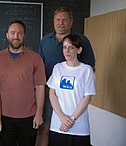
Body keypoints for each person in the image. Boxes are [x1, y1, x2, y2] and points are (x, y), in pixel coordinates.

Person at [36, 7, 95, 146]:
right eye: (57, 20)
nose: (60, 23)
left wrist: (78, 89)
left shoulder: (82, 40)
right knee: (44, 128)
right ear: (53, 21)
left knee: (72, 131)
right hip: (49, 91)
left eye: (64, 20)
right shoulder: (45, 41)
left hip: (73, 94)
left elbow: (90, 67)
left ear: (71, 22)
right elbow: (39, 67)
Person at [0, 20, 46, 146]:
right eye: (13, 33)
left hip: (29, 118)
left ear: (25, 35)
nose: (16, 36)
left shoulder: (35, 58)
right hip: (4, 116)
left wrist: (39, 114)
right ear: (7, 35)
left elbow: (40, 88)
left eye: (20, 33)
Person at [47, 34, 96, 146]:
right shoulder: (58, 68)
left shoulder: (86, 70)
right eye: (64, 47)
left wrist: (72, 119)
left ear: (79, 50)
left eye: (71, 47)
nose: (67, 51)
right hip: (58, 125)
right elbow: (52, 93)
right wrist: (62, 117)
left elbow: (87, 98)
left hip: (79, 127)